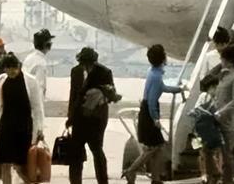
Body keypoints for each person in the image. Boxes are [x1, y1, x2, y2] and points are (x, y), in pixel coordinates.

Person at [122, 44, 184, 184]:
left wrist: (178, 89)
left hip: (146, 111)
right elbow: (152, 100)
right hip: (149, 113)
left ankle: (155, 179)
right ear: (163, 58)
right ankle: (131, 170)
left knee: (157, 148)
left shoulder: (153, 72)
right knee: (153, 147)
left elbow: (162, 88)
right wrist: (155, 118)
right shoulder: (156, 76)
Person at [0, 53, 45, 184]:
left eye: (14, 68)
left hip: (24, 127)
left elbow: (37, 107)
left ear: (19, 66)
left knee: (21, 165)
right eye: (7, 68)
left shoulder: (30, 81)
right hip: (5, 126)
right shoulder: (2, 79)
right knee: (4, 163)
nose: (11, 71)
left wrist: (39, 128)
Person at [66, 47, 120, 184]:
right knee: (76, 153)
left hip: (97, 118)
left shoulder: (104, 72)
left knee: (97, 150)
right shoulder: (76, 71)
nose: (86, 66)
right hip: (79, 117)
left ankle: (102, 181)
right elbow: (73, 95)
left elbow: (111, 95)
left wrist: (99, 97)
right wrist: (70, 116)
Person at [213, 45, 234, 184]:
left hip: (227, 121)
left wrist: (221, 112)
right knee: (214, 152)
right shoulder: (224, 75)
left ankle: (228, 181)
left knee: (227, 155)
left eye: (223, 59)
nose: (221, 62)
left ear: (230, 61)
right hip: (217, 119)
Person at [190, 75, 223, 184]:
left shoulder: (215, 99)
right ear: (211, 87)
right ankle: (206, 173)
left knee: (208, 152)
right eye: (215, 87)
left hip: (207, 128)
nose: (216, 90)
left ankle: (212, 173)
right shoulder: (204, 96)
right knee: (203, 152)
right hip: (201, 128)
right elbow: (196, 110)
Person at [23, 29, 54, 97]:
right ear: (46, 44)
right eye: (50, 42)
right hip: (34, 99)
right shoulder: (41, 62)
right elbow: (40, 87)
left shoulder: (29, 58)